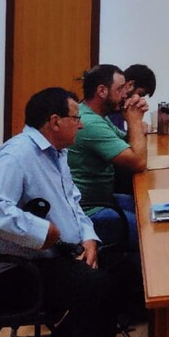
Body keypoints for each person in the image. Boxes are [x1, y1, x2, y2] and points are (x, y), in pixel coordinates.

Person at [0, 87, 120, 337]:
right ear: (55, 121)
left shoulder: (57, 153)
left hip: (46, 260)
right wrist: (37, 230)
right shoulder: (17, 155)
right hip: (11, 274)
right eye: (76, 118)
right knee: (98, 287)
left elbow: (73, 202)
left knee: (116, 270)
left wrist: (88, 237)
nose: (81, 125)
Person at [68, 64, 148, 251]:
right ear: (102, 91)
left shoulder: (97, 116)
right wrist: (135, 121)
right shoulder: (90, 123)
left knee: (149, 208)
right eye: (120, 89)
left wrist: (134, 123)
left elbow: (127, 143)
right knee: (147, 230)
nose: (125, 95)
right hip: (89, 211)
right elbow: (138, 162)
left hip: (103, 199)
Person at [109, 63, 156, 132]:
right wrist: (136, 125)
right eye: (140, 94)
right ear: (130, 84)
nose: (139, 99)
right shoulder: (113, 108)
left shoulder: (121, 109)